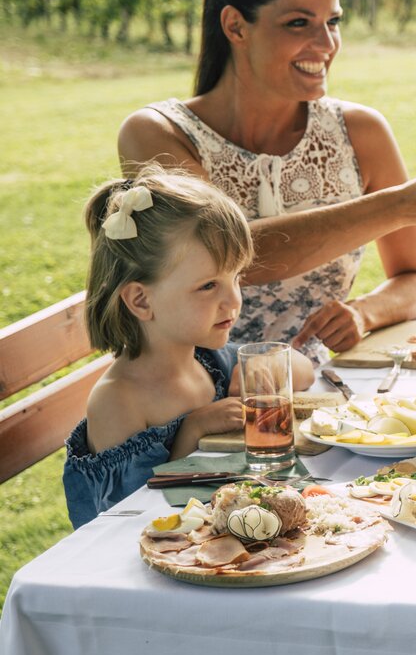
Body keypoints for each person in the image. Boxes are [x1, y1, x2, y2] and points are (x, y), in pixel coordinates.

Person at [117, 0, 416, 366]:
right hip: (197, 396)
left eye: (332, 21)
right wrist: (397, 206)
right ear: (236, 27)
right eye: (299, 23)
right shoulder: (157, 134)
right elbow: (226, 257)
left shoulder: (361, 132)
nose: (326, 43)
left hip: (315, 391)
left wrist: (363, 312)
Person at [63, 168, 315, 528]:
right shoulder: (119, 400)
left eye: (237, 278)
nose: (233, 300)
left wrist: (261, 374)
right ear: (141, 300)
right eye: (209, 285)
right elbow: (134, 519)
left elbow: (302, 371)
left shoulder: (205, 361)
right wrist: (192, 432)